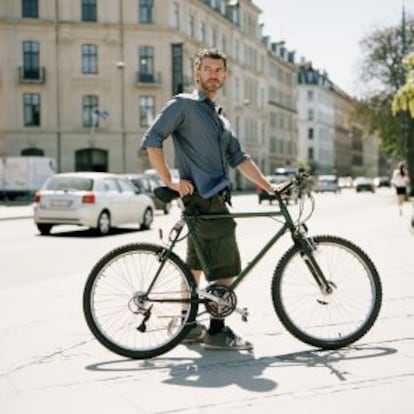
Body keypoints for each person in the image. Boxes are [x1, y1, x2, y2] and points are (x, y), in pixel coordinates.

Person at [141, 47, 275, 351]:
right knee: (225, 266)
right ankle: (217, 331)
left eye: (218, 70)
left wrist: (269, 187)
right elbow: (152, 139)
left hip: (211, 198)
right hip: (205, 198)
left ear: (225, 76)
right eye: (207, 69)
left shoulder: (219, 117)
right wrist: (169, 181)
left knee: (195, 265)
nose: (213, 74)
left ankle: (188, 327)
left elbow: (239, 157)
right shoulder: (183, 105)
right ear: (196, 72)